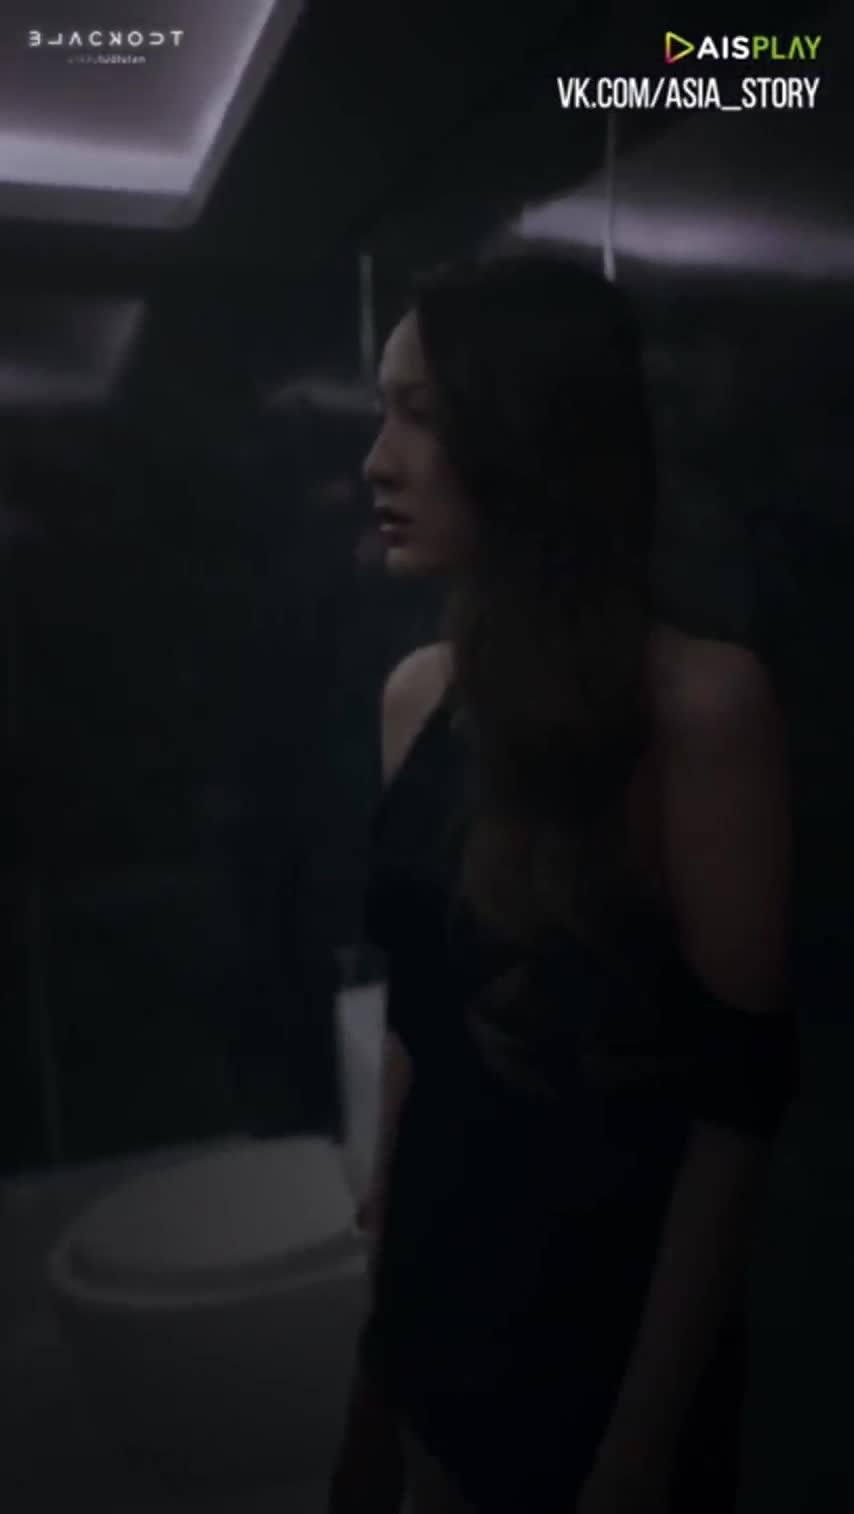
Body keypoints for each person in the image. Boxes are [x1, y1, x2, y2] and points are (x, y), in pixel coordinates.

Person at [327, 250, 796, 1514]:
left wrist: (639, 1443)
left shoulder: (701, 706)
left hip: (599, 1328)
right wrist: (381, 1337)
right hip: (435, 1305)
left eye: (420, 416)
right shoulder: (414, 696)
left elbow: (733, 1113)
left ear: (528, 435)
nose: (375, 460)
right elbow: (420, 1025)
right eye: (381, 413)